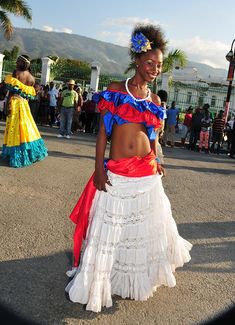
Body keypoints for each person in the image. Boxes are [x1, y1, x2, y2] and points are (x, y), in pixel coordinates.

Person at [65, 24, 192, 313]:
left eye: (159, 65)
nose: (154, 69)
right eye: (149, 63)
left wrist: (157, 161)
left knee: (142, 231)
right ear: (136, 60)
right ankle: (102, 279)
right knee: (111, 227)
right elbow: (101, 135)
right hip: (118, 173)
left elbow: (154, 137)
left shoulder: (155, 101)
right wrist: (99, 169)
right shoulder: (114, 91)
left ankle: (135, 279)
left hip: (147, 173)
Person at [1, 55, 48, 168]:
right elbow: (30, 96)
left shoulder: (16, 73)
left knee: (14, 129)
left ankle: (15, 154)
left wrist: (7, 106)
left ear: (24, 63)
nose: (16, 62)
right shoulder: (32, 78)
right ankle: (28, 152)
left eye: (18, 61)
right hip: (25, 106)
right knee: (26, 128)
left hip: (15, 103)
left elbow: (11, 92)